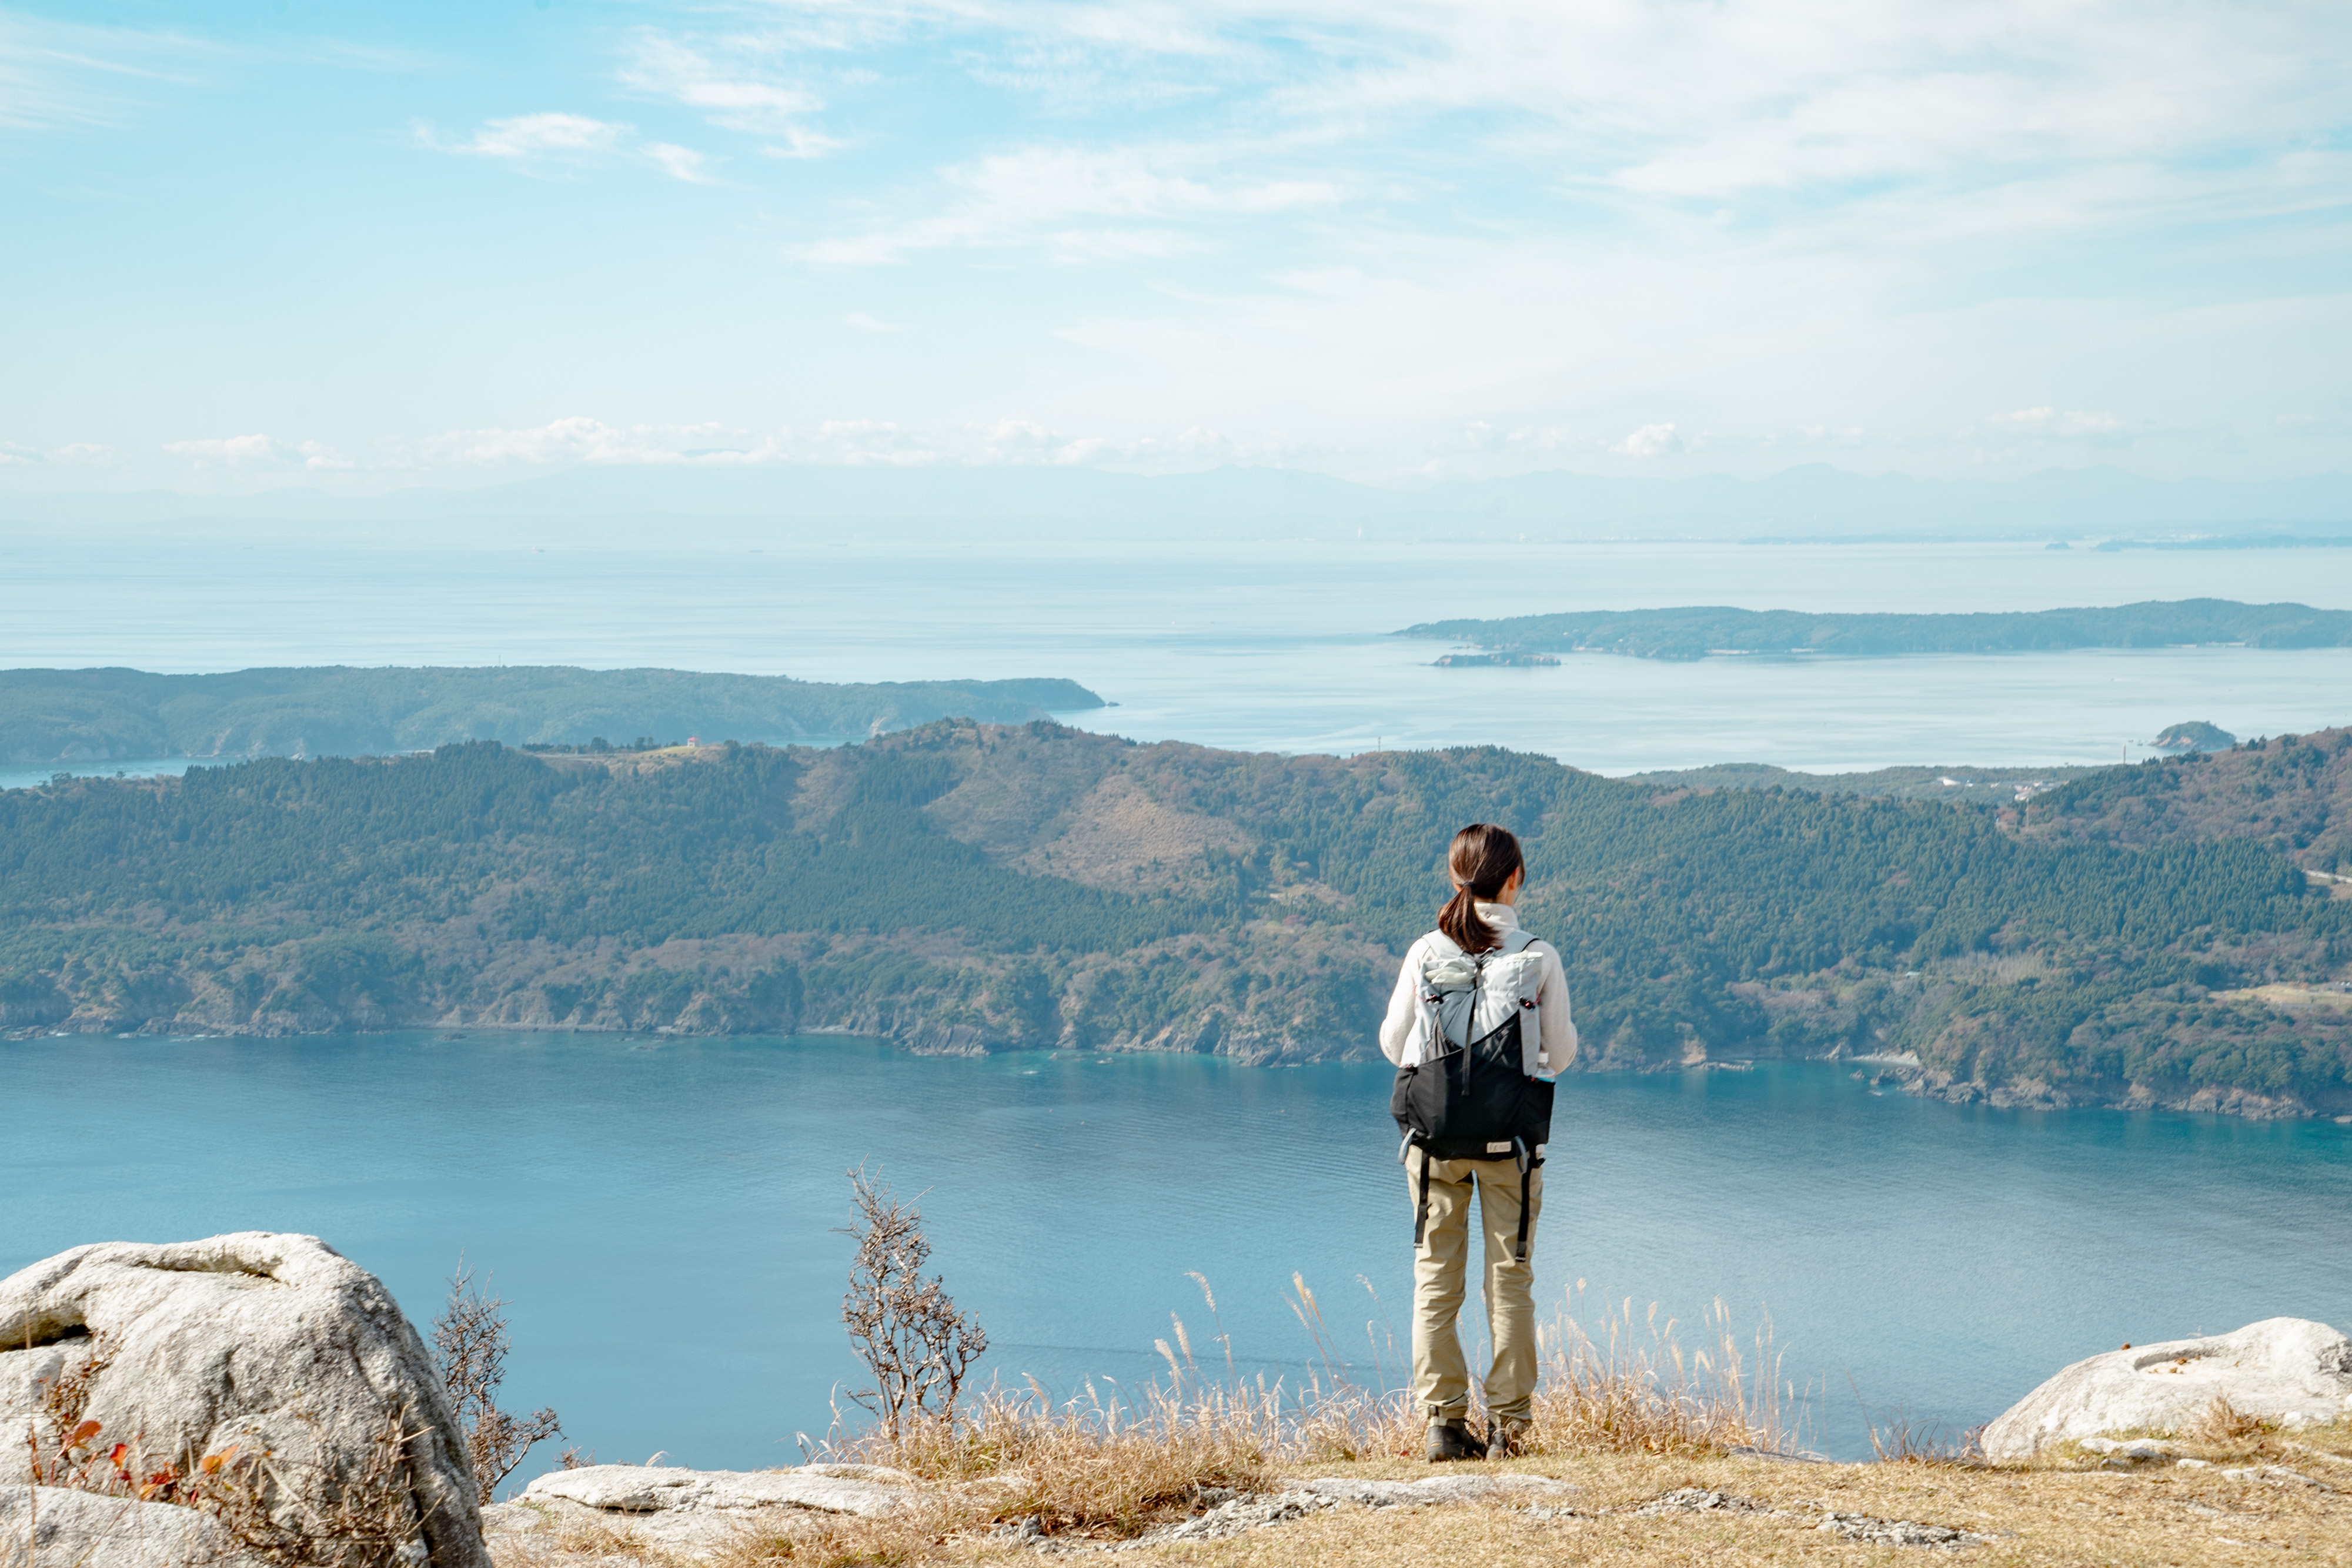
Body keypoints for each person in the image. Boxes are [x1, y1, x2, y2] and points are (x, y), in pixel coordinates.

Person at [1378, 822, 1576, 1462]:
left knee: (1435, 1281)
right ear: (1515, 878)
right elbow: (1562, 1054)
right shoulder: (1537, 956)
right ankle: (1509, 1430)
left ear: (1453, 877)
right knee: (1508, 1282)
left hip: (1432, 1144)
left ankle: (1442, 1424)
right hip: (1508, 1148)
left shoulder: (1424, 952)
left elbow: (1391, 1044)